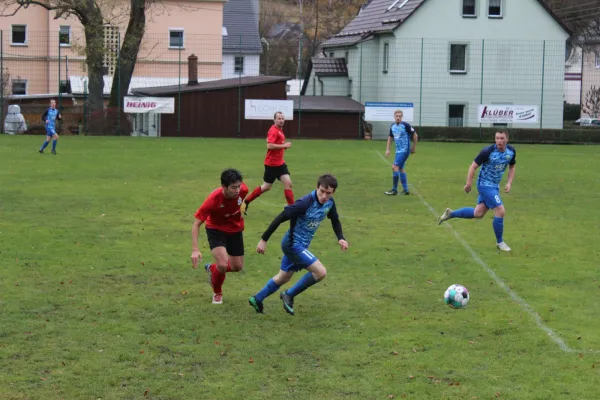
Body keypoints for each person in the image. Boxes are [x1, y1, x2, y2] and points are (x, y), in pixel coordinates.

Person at [248, 174, 349, 315]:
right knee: (320, 272)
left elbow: (335, 220)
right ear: (317, 187)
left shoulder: (330, 203)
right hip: (293, 244)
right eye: (321, 191)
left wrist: (341, 238)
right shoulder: (305, 202)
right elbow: (281, 217)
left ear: (333, 192)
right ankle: (288, 294)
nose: (324, 196)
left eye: (328, 193)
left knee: (283, 277)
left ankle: (257, 298)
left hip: (302, 245)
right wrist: (264, 240)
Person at [438, 131, 516, 252]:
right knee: (500, 210)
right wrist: (468, 183)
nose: (499, 141)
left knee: (478, 213)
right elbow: (473, 166)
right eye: (497, 138)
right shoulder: (487, 151)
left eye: (502, 138)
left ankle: (451, 214)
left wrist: (509, 182)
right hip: (484, 185)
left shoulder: (511, 152)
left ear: (507, 139)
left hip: (494, 186)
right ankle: (500, 242)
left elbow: (512, 166)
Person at [191, 168, 249, 304]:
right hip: (216, 229)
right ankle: (217, 292)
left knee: (237, 267)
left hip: (235, 230)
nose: (237, 190)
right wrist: (195, 249)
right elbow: (196, 224)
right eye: (233, 187)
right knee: (222, 264)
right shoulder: (213, 200)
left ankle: (212, 268)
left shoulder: (243, 190)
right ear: (224, 187)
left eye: (238, 186)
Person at [241, 111, 294, 214]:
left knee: (288, 183)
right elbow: (269, 145)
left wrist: (283, 147)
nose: (281, 120)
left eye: (283, 118)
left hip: (280, 164)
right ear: (274, 120)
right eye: (279, 118)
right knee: (266, 187)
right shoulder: (273, 131)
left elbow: (277, 144)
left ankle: (292, 209)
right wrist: (284, 146)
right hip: (271, 165)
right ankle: (246, 201)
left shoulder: (280, 130)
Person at [384, 110, 418, 195]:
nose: (398, 117)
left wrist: (413, 147)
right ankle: (406, 190)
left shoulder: (405, 125)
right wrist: (388, 149)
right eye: (397, 116)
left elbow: (415, 135)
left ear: (402, 117)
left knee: (394, 167)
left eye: (400, 116)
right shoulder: (392, 126)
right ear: (394, 117)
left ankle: (394, 190)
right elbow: (390, 137)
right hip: (398, 151)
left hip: (404, 150)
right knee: (401, 168)